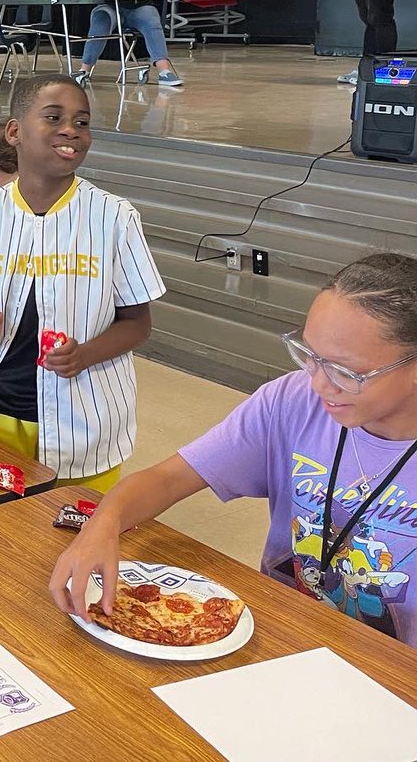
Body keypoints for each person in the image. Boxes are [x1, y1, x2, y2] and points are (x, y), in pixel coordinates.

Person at [51, 253, 417, 647]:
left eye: (347, 373)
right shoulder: (291, 402)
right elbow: (168, 478)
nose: (319, 385)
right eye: (309, 355)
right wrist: (103, 525)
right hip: (283, 634)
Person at [0, 74, 165, 491]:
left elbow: (138, 323)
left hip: (86, 422)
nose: (70, 131)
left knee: (68, 543)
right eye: (53, 117)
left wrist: (87, 353)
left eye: (82, 122)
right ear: (14, 131)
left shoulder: (115, 218)